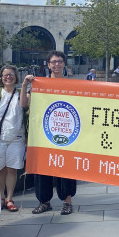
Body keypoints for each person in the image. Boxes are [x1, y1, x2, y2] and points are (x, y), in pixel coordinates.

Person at [22, 50, 77, 215]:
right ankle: (44, 201)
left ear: (64, 64)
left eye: (60, 61)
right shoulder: (40, 84)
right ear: (48, 64)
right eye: (54, 61)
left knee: (66, 167)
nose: (57, 64)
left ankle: (67, 202)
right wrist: (25, 85)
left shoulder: (71, 85)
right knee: (42, 168)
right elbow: (24, 104)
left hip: (65, 132)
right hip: (44, 132)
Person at [0, 65, 27, 213]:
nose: (8, 77)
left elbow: (26, 110)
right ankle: (0, 197)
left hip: (17, 136)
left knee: (12, 169)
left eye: (11, 74)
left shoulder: (21, 93)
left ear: (16, 77)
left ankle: (9, 198)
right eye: (5, 75)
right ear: (1, 77)